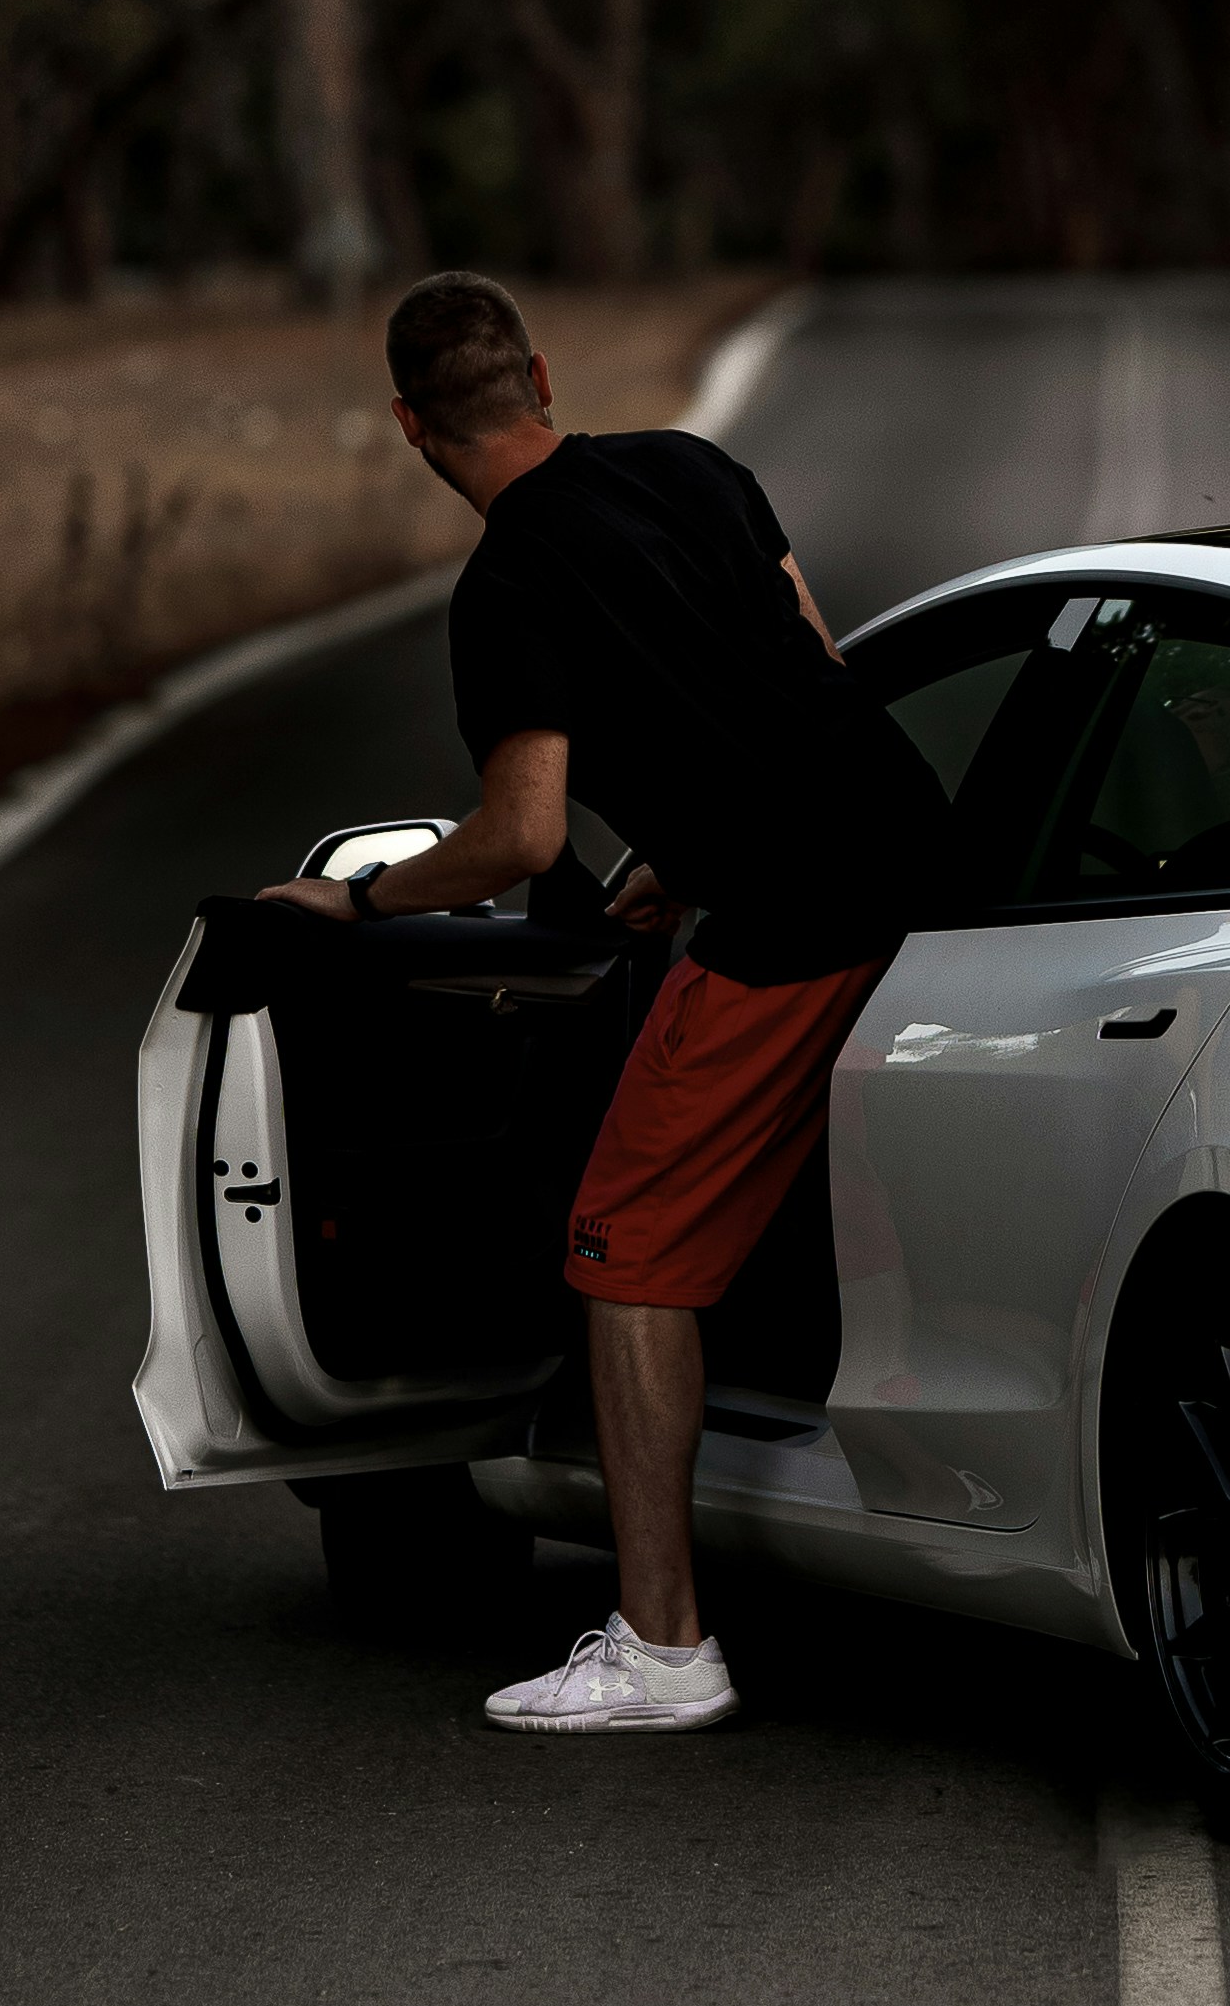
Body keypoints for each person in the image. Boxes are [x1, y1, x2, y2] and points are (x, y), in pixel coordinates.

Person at [255, 268, 936, 1732]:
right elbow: (806, 667)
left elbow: (521, 839)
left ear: (407, 424)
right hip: (919, 865)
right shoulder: (693, 467)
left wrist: (359, 899)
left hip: (795, 924)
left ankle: (664, 1645)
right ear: (543, 375)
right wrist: (686, 861)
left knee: (625, 1260)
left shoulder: (506, 585)